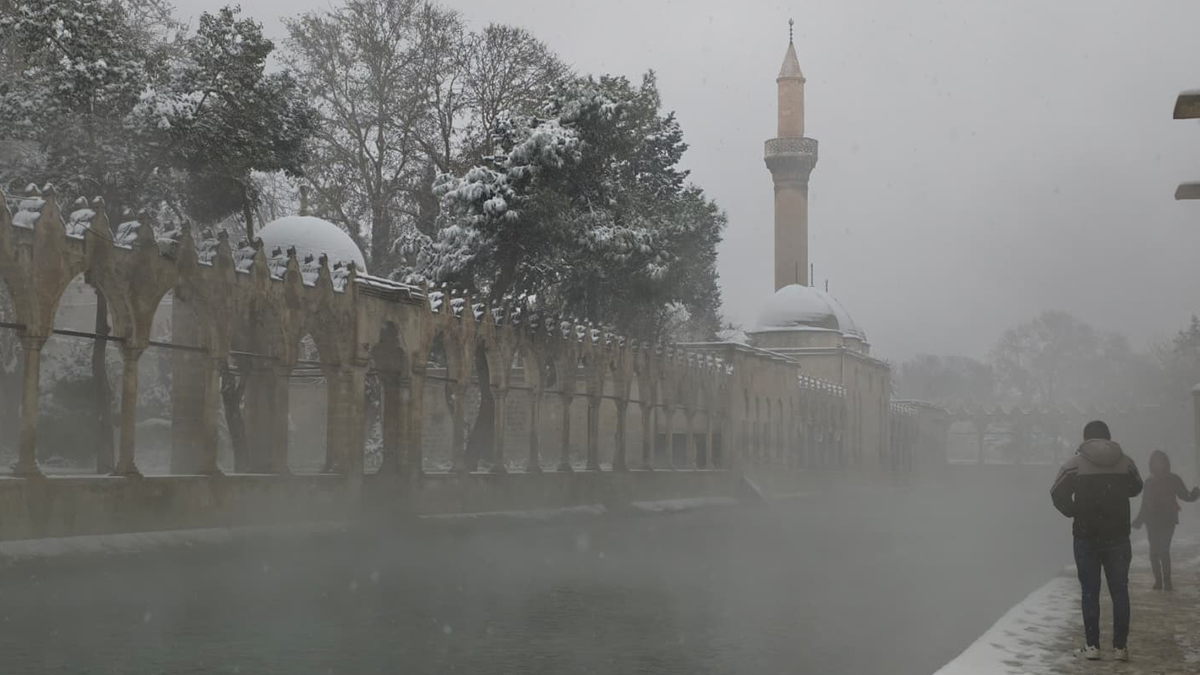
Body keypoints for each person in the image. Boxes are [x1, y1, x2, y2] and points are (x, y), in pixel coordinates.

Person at [1051, 420, 1143, 662]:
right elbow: (1136, 487)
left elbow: (1056, 492)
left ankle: (1092, 646)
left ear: (1085, 438)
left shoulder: (1074, 464)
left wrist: (1074, 510)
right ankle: (1120, 648)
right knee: (1120, 591)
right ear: (1109, 438)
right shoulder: (1126, 462)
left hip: (1086, 536)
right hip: (1118, 536)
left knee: (1090, 591)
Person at [1131, 450, 1200, 591]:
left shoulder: (1173, 479)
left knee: (1163, 550)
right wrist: (1138, 521)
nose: (1158, 463)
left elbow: (1185, 495)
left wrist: (1195, 494)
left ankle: (1167, 582)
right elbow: (1145, 504)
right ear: (1152, 464)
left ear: (1165, 462)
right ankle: (1158, 581)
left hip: (1168, 520)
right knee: (1154, 552)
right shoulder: (1149, 482)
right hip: (1152, 521)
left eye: (1160, 460)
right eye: (1155, 461)